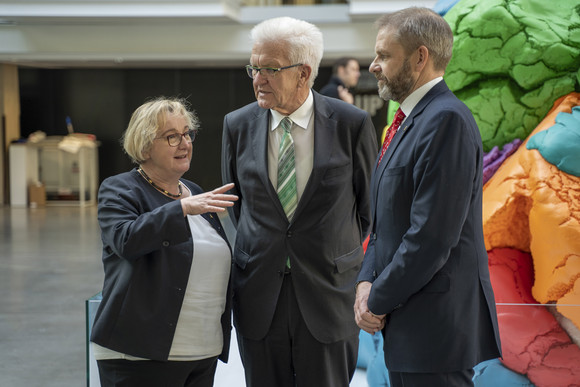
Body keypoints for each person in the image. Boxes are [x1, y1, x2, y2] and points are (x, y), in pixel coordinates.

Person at [221, 17, 378, 387]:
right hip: (260, 296)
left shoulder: (350, 124)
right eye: (254, 68)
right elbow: (239, 206)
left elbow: (370, 210)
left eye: (270, 69)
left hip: (329, 296)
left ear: (304, 73)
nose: (258, 79)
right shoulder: (237, 125)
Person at [354, 7, 502, 387]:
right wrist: (365, 282)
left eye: (384, 56)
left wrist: (376, 300)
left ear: (420, 57)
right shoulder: (408, 122)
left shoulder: (446, 120)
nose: (373, 66)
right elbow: (384, 223)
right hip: (409, 328)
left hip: (435, 331)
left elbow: (431, 237)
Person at [90, 97, 238, 387]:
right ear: (145, 146)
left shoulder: (193, 191)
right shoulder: (121, 188)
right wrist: (181, 209)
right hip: (139, 354)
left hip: (202, 352)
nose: (185, 143)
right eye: (172, 137)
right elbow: (126, 239)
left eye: (187, 133)